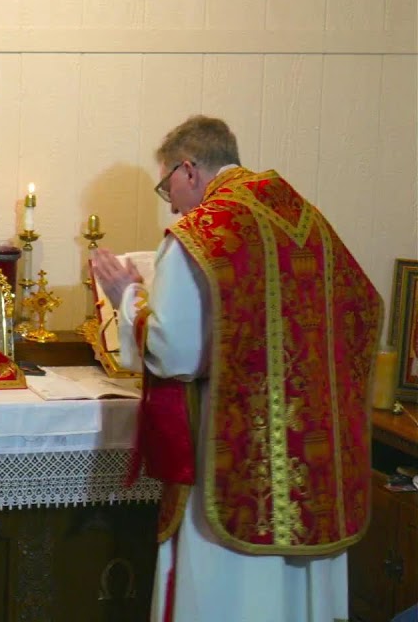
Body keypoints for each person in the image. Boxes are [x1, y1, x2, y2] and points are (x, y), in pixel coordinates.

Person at [91, 115, 382, 622]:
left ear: (188, 169)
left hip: (238, 457)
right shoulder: (307, 221)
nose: (171, 201)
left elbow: (175, 354)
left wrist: (127, 297)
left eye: (167, 187)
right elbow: (365, 308)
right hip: (313, 467)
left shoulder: (204, 231)